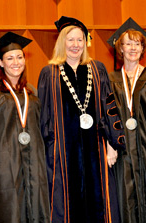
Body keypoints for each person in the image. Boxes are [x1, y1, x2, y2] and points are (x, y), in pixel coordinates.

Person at [38, 16, 125, 223]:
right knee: (65, 203)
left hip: (95, 147)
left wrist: (113, 144)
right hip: (62, 151)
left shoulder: (97, 69)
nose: (75, 45)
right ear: (62, 42)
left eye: (79, 40)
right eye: (70, 40)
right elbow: (43, 116)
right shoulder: (48, 73)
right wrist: (47, 150)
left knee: (99, 201)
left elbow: (109, 107)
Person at [0, 32, 50, 223]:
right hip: (3, 163)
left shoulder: (32, 92)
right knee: (9, 209)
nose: (16, 62)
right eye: (10, 58)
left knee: (36, 205)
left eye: (19, 57)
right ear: (1, 63)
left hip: (33, 162)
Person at [107, 17, 146, 223]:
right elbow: (106, 116)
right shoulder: (110, 80)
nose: (133, 48)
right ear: (120, 48)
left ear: (143, 49)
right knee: (126, 199)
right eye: (128, 43)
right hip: (122, 150)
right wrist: (110, 145)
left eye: (137, 44)